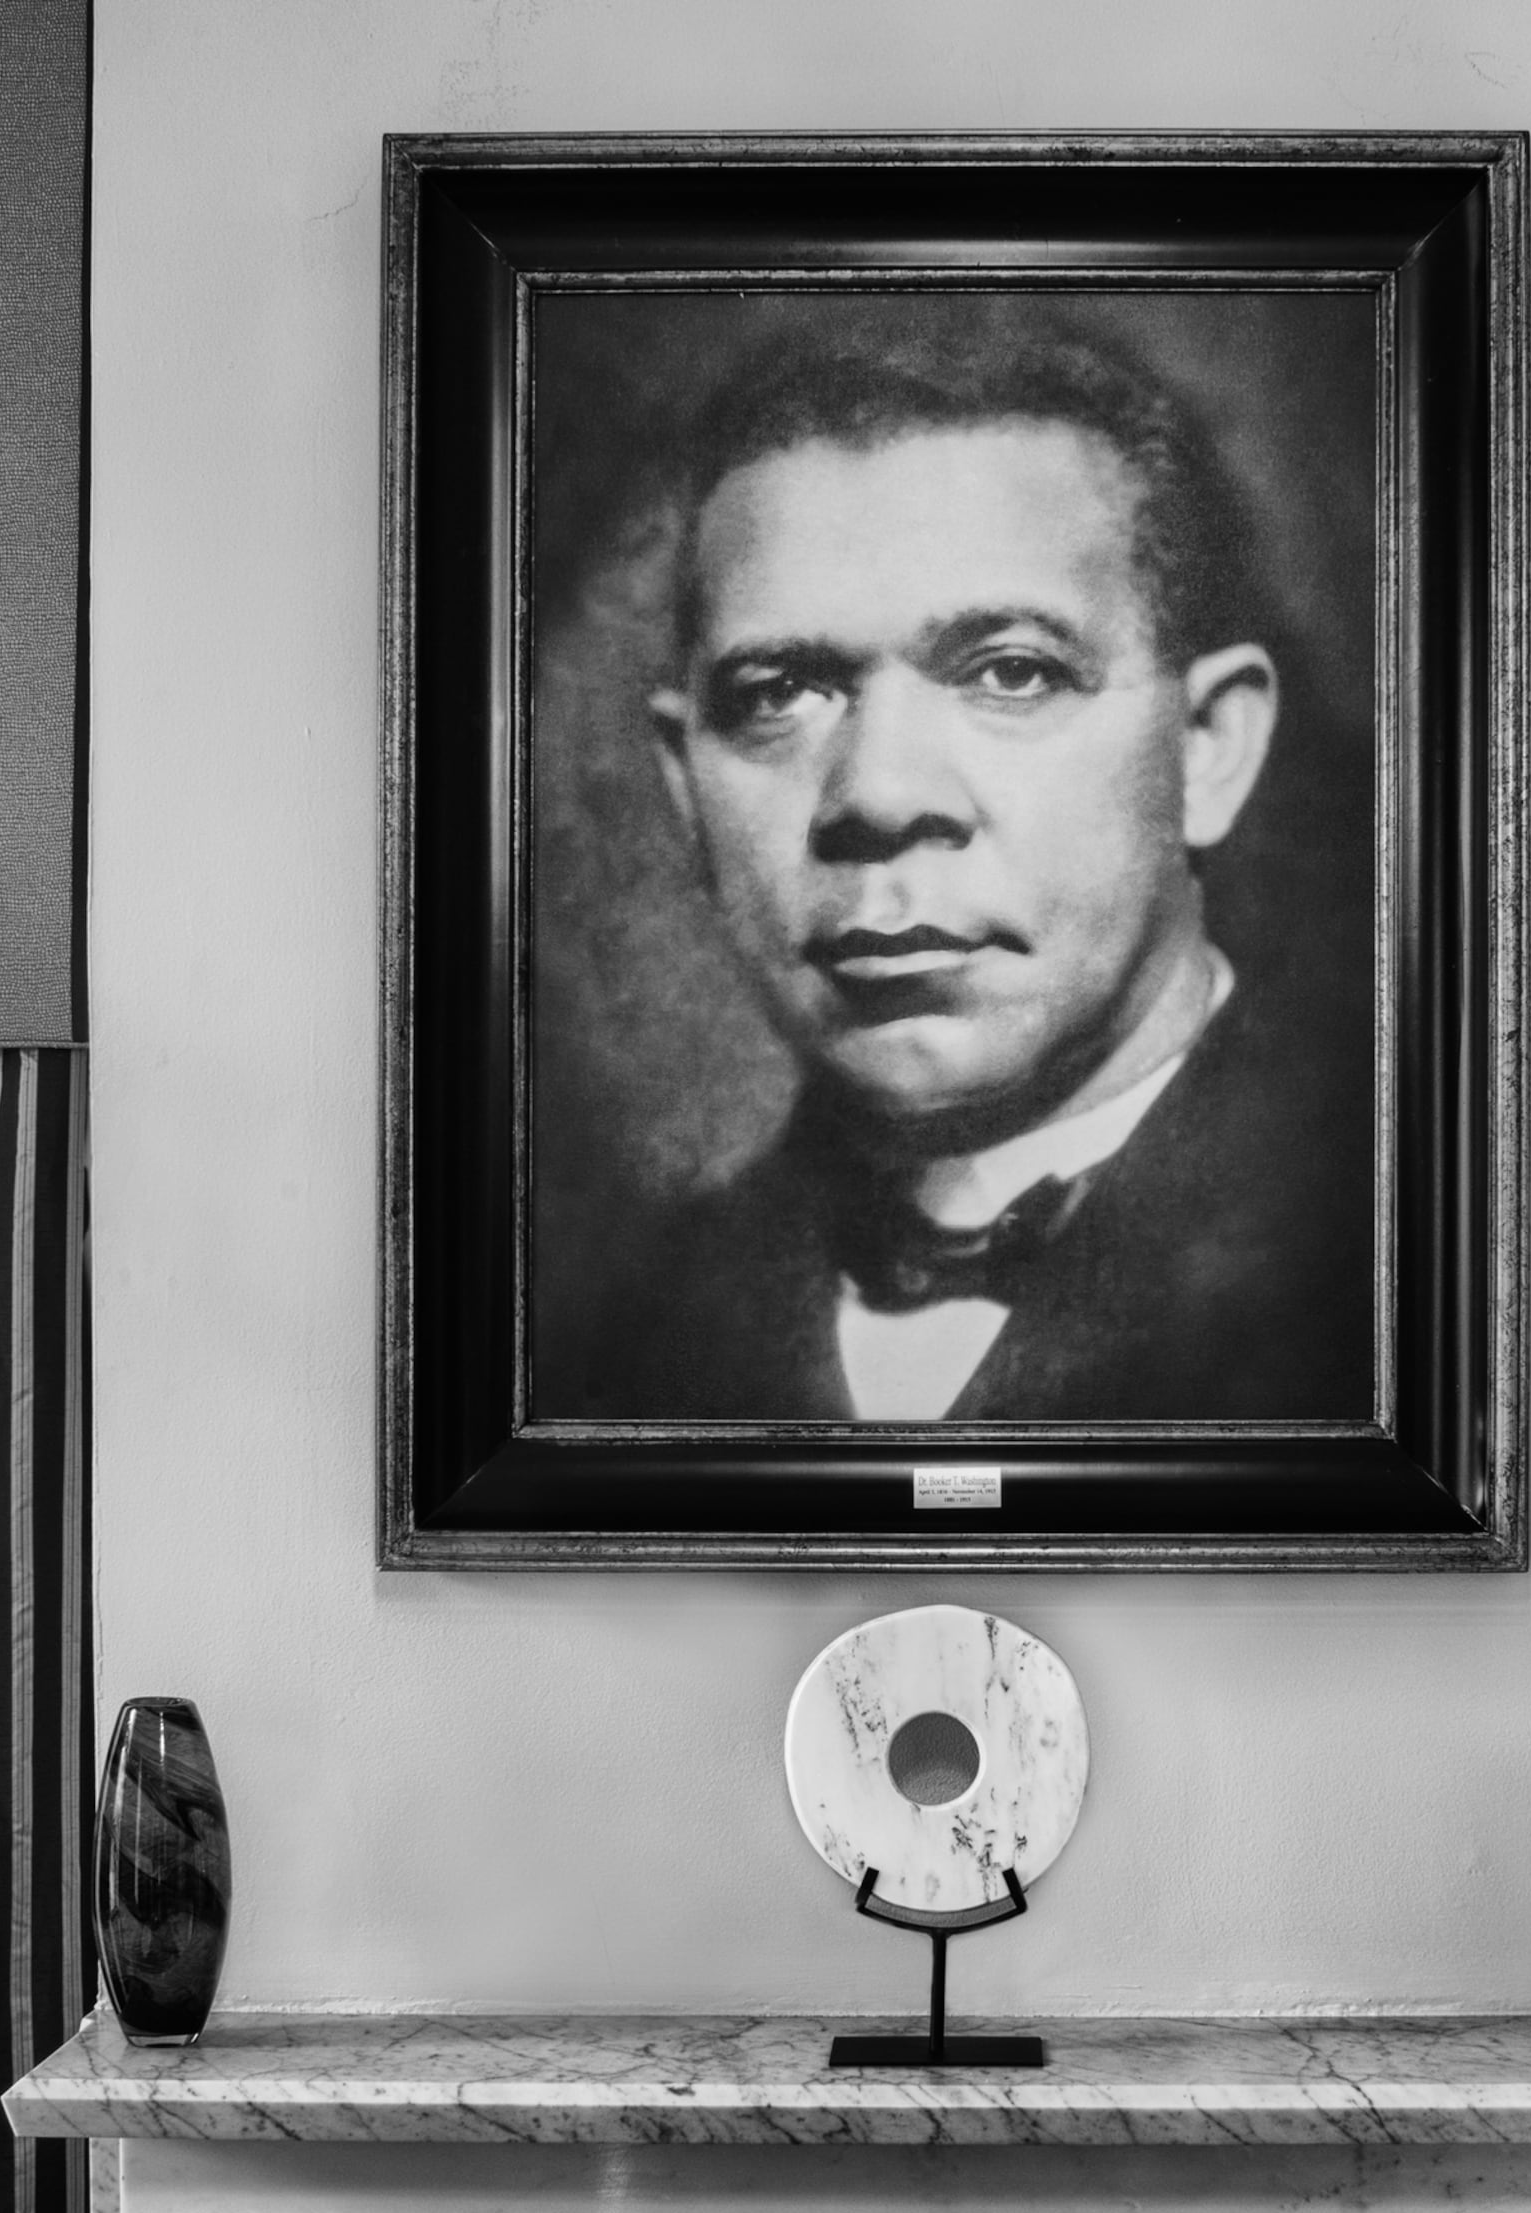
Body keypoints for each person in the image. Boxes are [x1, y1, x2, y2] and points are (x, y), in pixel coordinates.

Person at [536, 314, 1374, 1424]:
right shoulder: (601, 1358)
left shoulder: (1405, 1250)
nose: (878, 794)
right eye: (777, 695)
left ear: (1207, 749)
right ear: (688, 791)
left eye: (1013, 673)